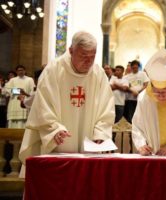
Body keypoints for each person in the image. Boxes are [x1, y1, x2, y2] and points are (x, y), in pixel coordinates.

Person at [19, 31, 115, 177]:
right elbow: (43, 104)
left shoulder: (98, 73)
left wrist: (101, 132)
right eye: (84, 57)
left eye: (92, 57)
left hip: (88, 145)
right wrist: (53, 129)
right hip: (58, 143)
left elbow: (106, 106)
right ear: (71, 51)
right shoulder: (54, 70)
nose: (88, 62)